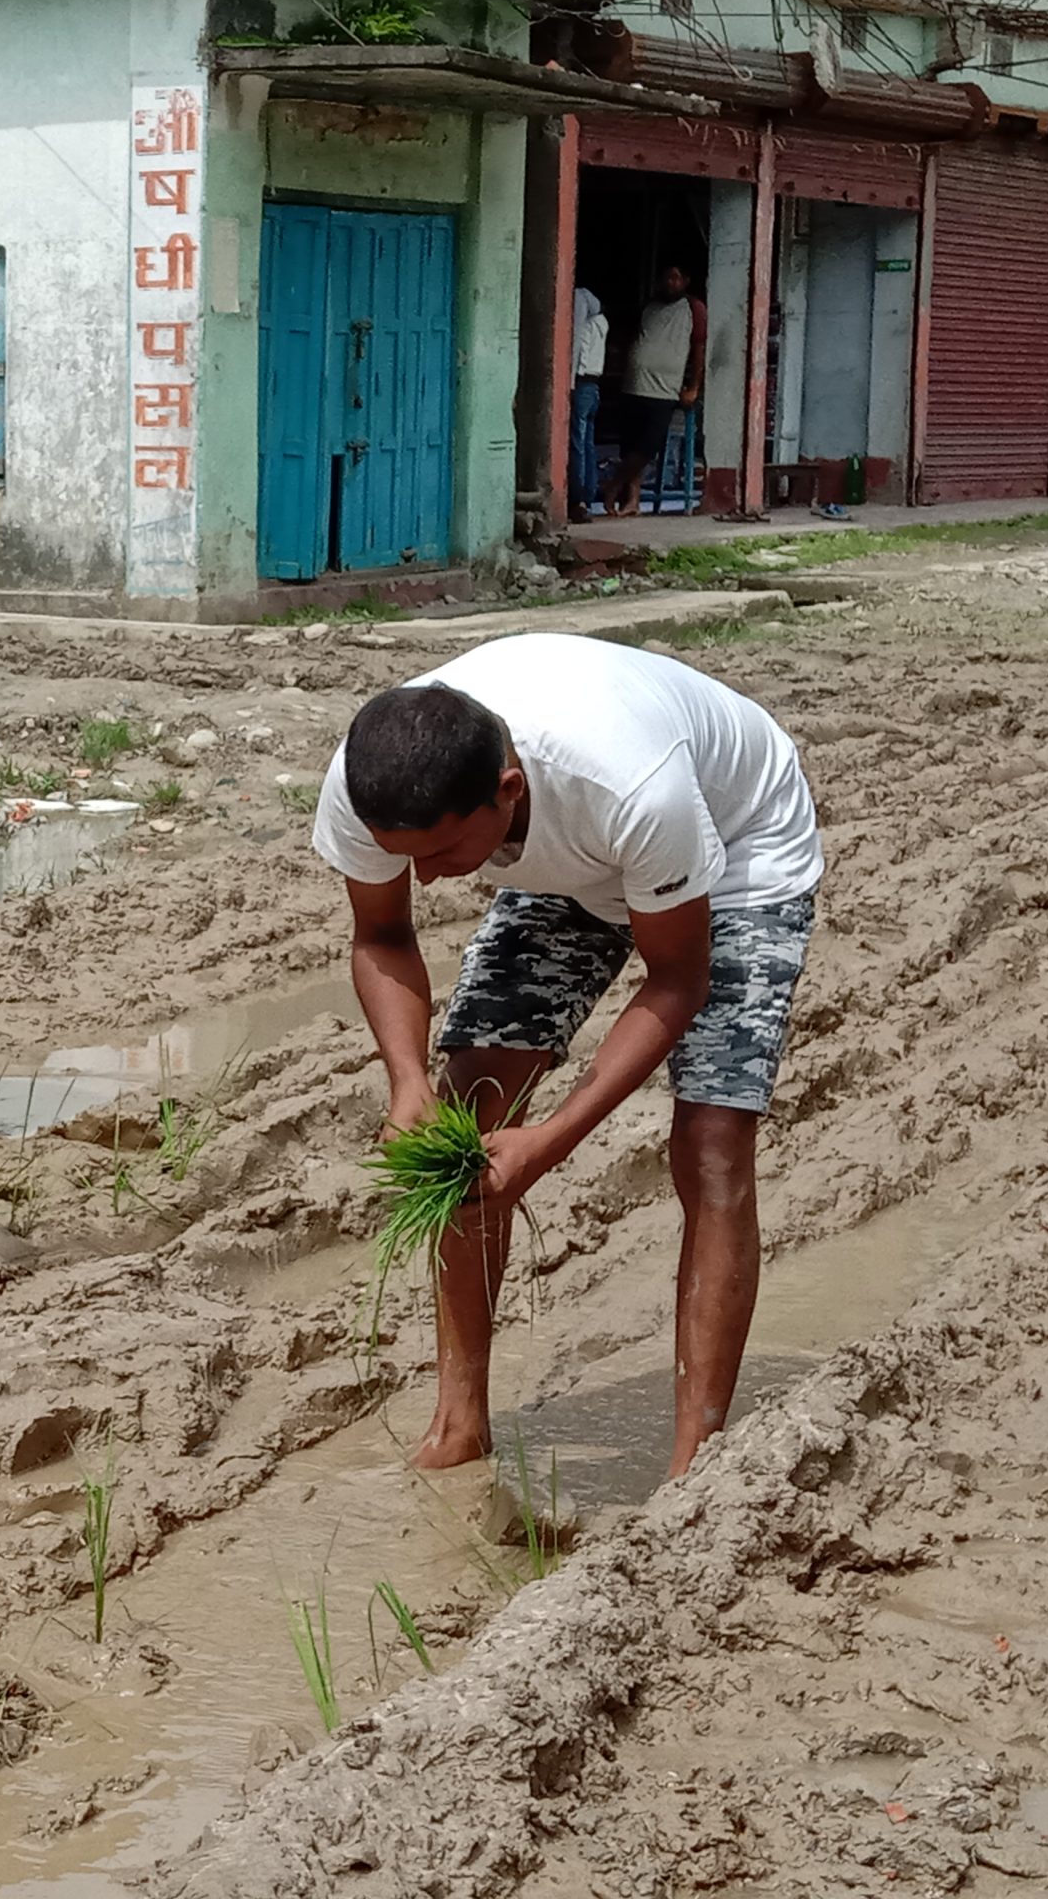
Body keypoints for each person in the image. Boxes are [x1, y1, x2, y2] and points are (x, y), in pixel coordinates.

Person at [311, 633, 822, 1479]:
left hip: (736, 852)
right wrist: (405, 1081)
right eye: (406, 857)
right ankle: (460, 1425)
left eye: (442, 854)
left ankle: (692, 1467)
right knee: (466, 1112)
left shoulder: (633, 786)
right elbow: (383, 933)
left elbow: (678, 979)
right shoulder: (368, 783)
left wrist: (552, 1140)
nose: (427, 880)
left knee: (711, 1142)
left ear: (508, 790)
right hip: (571, 861)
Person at [608, 264, 706, 517]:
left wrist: (694, 387)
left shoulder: (693, 308)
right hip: (634, 384)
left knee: (647, 446)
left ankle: (613, 484)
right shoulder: (649, 307)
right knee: (630, 446)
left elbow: (699, 349)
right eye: (667, 278)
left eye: (676, 278)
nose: (670, 283)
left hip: (664, 390)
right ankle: (632, 500)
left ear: (686, 280)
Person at [569, 285, 608, 523]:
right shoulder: (602, 321)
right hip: (594, 386)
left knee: (577, 445)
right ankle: (588, 497)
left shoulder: (583, 314)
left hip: (582, 383)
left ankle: (578, 501)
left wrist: (569, 382)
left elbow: (575, 348)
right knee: (587, 444)